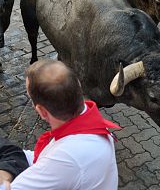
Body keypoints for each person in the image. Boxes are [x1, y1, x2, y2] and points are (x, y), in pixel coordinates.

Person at [11, 59, 120, 190]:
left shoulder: (66, 157)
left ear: (42, 111)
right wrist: (7, 154)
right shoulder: (91, 123)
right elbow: (44, 160)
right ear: (78, 85)